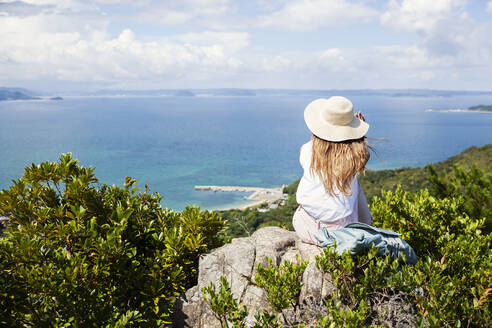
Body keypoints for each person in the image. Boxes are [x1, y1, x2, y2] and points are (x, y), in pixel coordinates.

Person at [293, 96, 373, 245]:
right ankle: (367, 226)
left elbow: (317, 146)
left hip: (308, 228)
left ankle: (366, 225)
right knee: (354, 185)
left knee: (351, 184)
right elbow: (361, 153)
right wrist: (359, 136)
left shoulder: (306, 150)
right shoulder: (355, 159)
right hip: (343, 234)